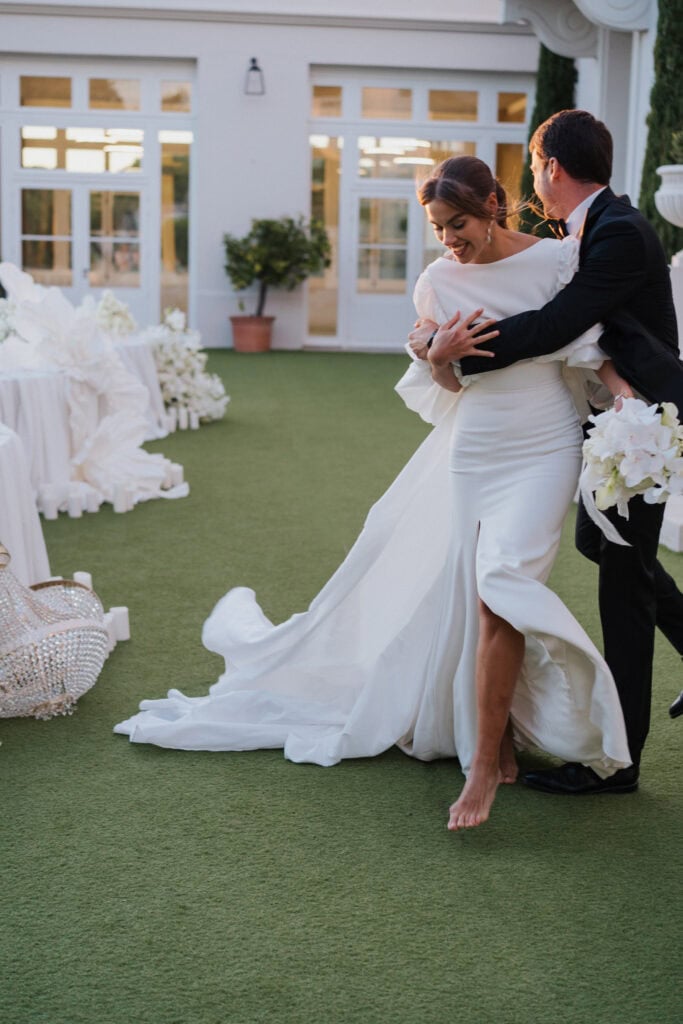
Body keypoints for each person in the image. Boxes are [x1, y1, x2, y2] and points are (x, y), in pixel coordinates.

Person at [115, 156, 631, 830]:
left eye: (460, 224)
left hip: (543, 447)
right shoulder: (438, 282)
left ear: (494, 205)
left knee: (504, 583)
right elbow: (449, 389)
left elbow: (593, 350)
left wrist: (631, 407)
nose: (450, 240)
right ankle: (495, 745)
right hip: (474, 448)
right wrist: (440, 357)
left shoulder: (556, 264)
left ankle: (484, 764)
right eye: (439, 229)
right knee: (478, 600)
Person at [430, 111, 683, 796]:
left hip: (643, 425)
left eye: (534, 166)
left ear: (549, 167)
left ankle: (620, 762)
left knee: (623, 584)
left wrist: (461, 351)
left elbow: (559, 324)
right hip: (615, 421)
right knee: (600, 548)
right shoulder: (593, 228)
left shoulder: (619, 232)